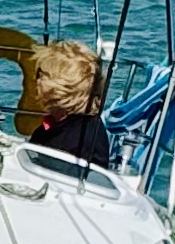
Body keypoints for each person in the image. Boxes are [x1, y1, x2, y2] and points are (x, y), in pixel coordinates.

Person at [22, 38, 111, 167]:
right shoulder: (64, 125)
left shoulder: (72, 144)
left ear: (56, 87)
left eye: (40, 75)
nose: (35, 80)